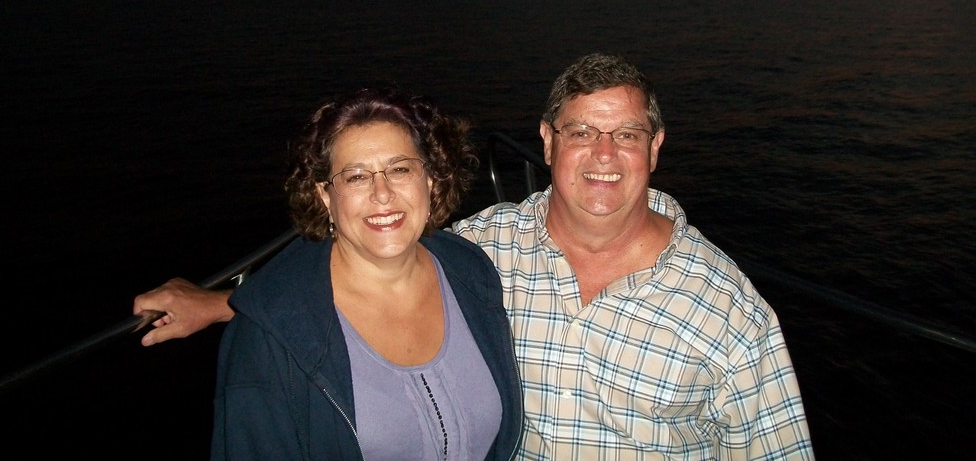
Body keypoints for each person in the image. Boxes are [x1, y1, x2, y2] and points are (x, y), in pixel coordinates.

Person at [135, 53, 814, 459]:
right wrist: (223, 304)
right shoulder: (485, 249)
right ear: (547, 142)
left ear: (655, 147)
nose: (603, 155)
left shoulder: (729, 310)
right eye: (582, 132)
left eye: (626, 134)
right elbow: (363, 273)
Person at [201, 86, 523, 460]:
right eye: (355, 177)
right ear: (325, 196)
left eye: (400, 169)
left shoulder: (471, 273)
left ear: (430, 181)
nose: (382, 193)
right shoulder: (267, 339)